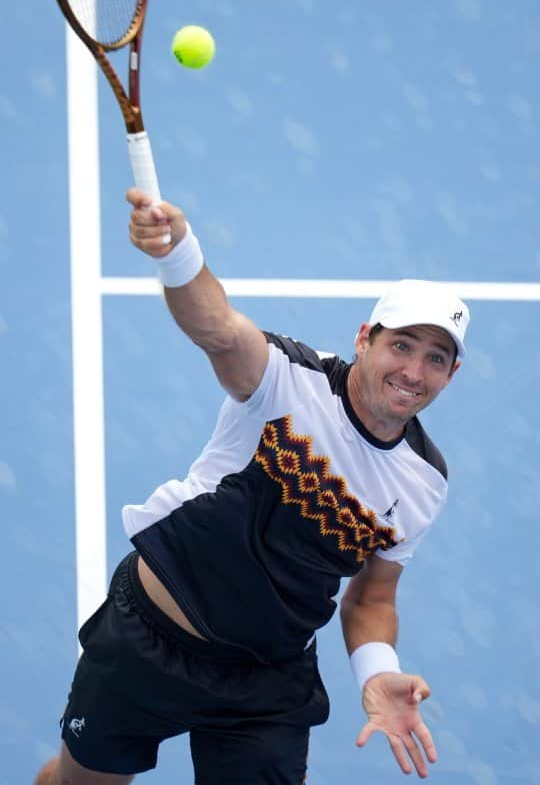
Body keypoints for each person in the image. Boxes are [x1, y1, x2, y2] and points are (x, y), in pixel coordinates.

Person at [35, 188, 470, 785]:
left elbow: (371, 598)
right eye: (402, 345)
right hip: (151, 641)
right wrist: (179, 253)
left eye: (437, 358)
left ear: (453, 372)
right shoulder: (286, 380)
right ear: (364, 337)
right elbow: (216, 327)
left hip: (266, 682)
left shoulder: (425, 481)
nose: (414, 372)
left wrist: (377, 670)